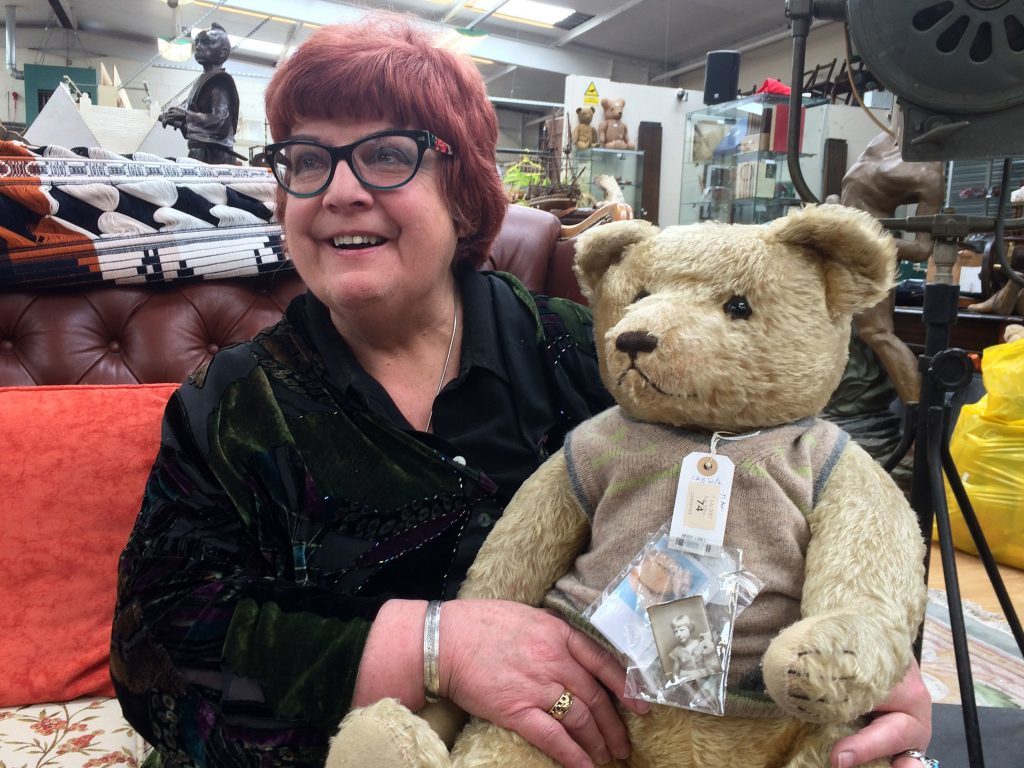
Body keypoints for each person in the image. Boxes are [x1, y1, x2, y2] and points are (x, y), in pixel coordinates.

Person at [112, 14, 933, 768]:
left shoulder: (588, 359)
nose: (338, 189)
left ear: (462, 186)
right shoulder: (235, 401)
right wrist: (434, 647)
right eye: (305, 158)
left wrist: (879, 672)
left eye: (387, 153)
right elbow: (156, 655)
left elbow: (811, 512)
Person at [841, 118, 945, 405]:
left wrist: (865, 238)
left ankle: (923, 421)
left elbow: (922, 249)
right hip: (842, 248)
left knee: (877, 333)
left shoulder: (929, 175)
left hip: (866, 256)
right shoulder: (884, 137)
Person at [159, 22, 241, 164]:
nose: (198, 46)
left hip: (215, 157)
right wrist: (173, 117)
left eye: (206, 42)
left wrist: (185, 116)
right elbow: (187, 110)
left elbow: (220, 121)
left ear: (222, 52)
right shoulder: (203, 81)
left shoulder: (221, 81)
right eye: (197, 42)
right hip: (200, 154)